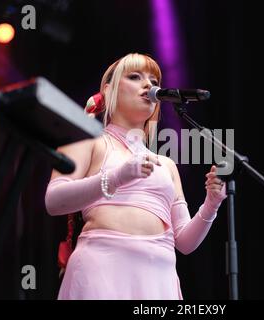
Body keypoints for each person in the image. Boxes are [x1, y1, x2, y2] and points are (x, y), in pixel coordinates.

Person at [44, 53, 227, 299]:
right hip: (102, 269)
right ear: (108, 91)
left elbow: (184, 242)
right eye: (134, 77)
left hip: (158, 277)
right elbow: (54, 201)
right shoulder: (86, 139)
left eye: (154, 80)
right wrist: (117, 177)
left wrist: (211, 205)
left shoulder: (166, 165)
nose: (149, 85)